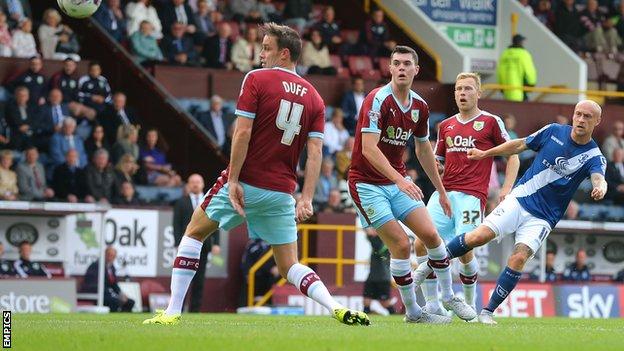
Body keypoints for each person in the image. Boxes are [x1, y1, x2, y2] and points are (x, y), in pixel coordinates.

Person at [144, 23, 369, 326]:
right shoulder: (315, 97)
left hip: (246, 182)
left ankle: (172, 311)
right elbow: (315, 153)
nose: (261, 54)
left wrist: (233, 179)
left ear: (284, 53)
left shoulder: (257, 79)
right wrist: (306, 197)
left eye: (266, 48)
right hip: (281, 192)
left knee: (194, 232)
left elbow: (242, 133)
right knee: (290, 265)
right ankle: (334, 306)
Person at [412, 100, 608, 324]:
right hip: (519, 199)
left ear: (597, 121)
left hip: (543, 217)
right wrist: (486, 154)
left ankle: (486, 312)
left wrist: (599, 187)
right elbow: (518, 145)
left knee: (519, 258)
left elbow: (598, 177)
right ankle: (427, 266)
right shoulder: (553, 131)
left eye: (587, 117)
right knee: (478, 236)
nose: (581, 120)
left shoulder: (593, 155)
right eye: (578, 114)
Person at [347, 45, 475, 324]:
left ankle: (448, 296)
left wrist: (441, 191)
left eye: (407, 63)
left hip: (396, 182)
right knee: (402, 246)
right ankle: (414, 312)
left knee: (432, 237)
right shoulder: (376, 99)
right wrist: (399, 180)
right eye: (396, 63)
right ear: (390, 69)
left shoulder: (420, 106)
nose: (402, 68)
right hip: (366, 183)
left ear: (416, 70)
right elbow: (368, 149)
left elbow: (423, 150)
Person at [413, 72, 520, 316]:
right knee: (421, 242)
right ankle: (433, 303)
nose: (462, 93)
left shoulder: (491, 122)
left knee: (464, 249)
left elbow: (513, 155)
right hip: (445, 193)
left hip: (472, 195)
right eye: (459, 89)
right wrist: (436, 168)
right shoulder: (446, 125)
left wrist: (506, 188)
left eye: (468, 89)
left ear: (479, 93)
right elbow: (438, 161)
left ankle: (470, 303)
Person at [172, 174, 220, 312]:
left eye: (198, 182)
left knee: (199, 281)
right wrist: (177, 244)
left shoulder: (211, 200)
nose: (195, 184)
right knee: (183, 280)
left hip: (204, 247)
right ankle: (177, 310)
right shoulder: (181, 202)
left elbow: (216, 221)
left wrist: (216, 243)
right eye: (192, 182)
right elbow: (176, 225)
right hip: (186, 246)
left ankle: (195, 311)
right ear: (188, 184)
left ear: (203, 184)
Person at [83, 246, 135, 312]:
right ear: (104, 255)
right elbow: (93, 285)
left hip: (107, 294)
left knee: (130, 302)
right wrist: (112, 295)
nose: (110, 258)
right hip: (96, 294)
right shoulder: (96, 266)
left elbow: (114, 284)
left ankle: (123, 319)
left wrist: (121, 294)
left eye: (113, 256)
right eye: (109, 255)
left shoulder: (111, 267)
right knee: (114, 301)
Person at [362, 228, 394, 315]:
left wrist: (370, 235)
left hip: (382, 277)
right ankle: (365, 317)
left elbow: (377, 248)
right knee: (366, 300)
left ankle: (395, 315)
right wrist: (369, 234)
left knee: (385, 302)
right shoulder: (376, 240)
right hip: (372, 276)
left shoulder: (385, 244)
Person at [497, 34, 537, 102]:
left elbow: (500, 72)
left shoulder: (505, 54)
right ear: (520, 42)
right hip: (520, 90)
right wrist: (531, 83)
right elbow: (529, 71)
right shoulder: (523, 54)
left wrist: (501, 86)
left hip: (506, 90)